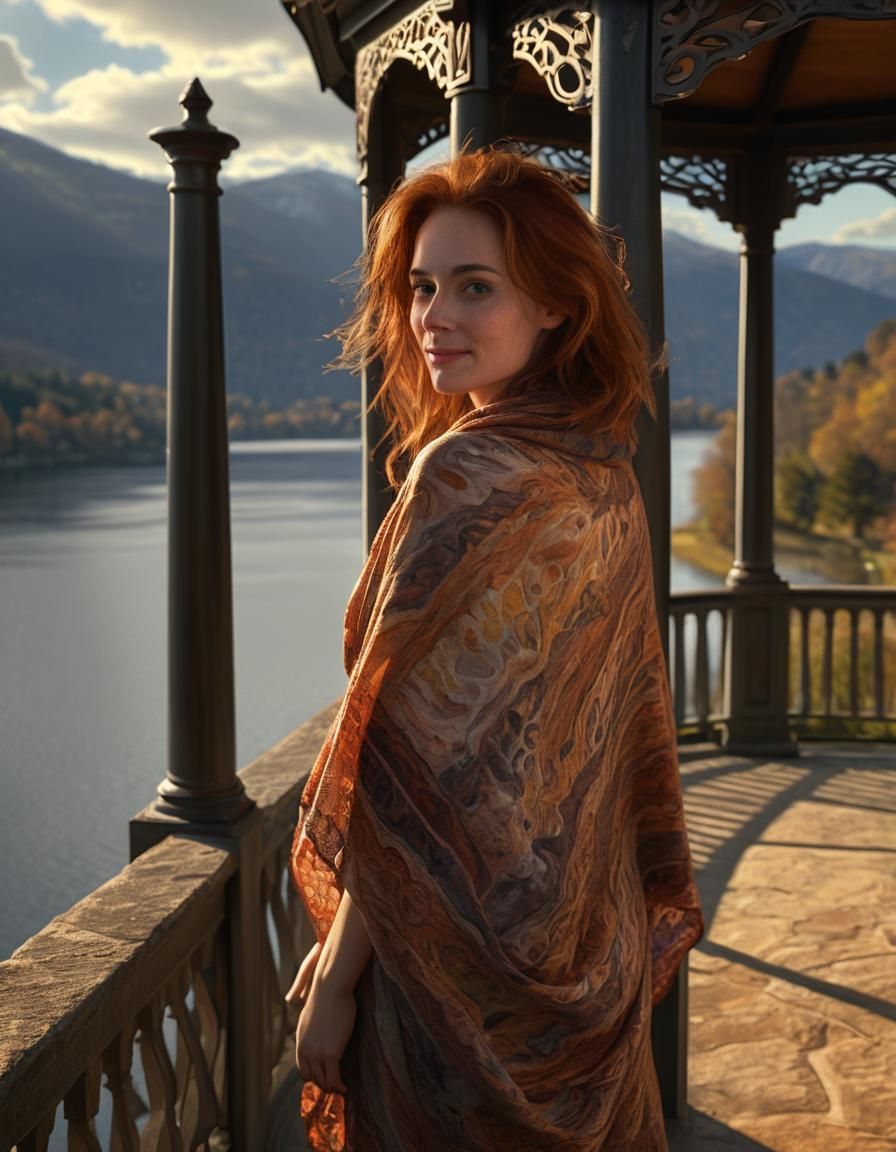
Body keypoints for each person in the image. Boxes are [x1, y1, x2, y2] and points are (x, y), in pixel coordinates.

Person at [286, 147, 704, 1152]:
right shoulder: (602, 474)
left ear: (554, 304)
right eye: (421, 287)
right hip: (586, 951)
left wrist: (336, 977)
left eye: (475, 287)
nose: (434, 316)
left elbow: (404, 777)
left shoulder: (466, 474)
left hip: (453, 984)